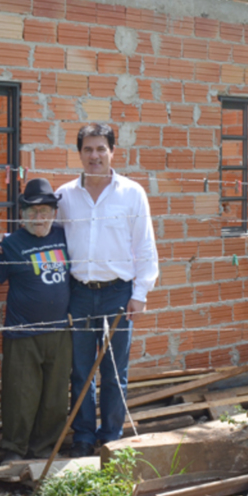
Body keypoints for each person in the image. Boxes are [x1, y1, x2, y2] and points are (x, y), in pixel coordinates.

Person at [57, 123, 159, 457]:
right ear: (80, 153)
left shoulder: (132, 193)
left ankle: (111, 434)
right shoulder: (65, 196)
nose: (95, 156)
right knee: (81, 370)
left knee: (115, 370)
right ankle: (84, 436)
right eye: (88, 149)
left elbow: (145, 246)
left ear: (112, 151)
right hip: (80, 292)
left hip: (118, 292)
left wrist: (140, 294)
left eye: (101, 148)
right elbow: (50, 238)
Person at [0, 178, 71, 463]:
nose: (39, 218)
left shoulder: (64, 237)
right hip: (22, 334)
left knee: (55, 396)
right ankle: (14, 451)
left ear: (54, 213)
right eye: (32, 212)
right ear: (23, 214)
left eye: (45, 211)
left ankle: (45, 451)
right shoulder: (11, 244)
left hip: (60, 332)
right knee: (20, 396)